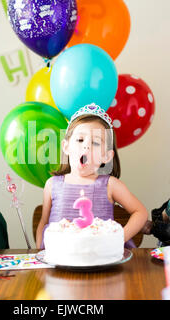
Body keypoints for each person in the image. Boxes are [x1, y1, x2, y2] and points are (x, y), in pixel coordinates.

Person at [35, 103, 148, 249]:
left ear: (106, 156)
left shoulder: (110, 184)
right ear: (66, 147)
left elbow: (140, 212)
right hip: (59, 255)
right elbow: (44, 223)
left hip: (99, 257)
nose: (86, 146)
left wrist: (119, 239)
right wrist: (39, 252)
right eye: (80, 140)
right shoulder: (52, 184)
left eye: (95, 142)